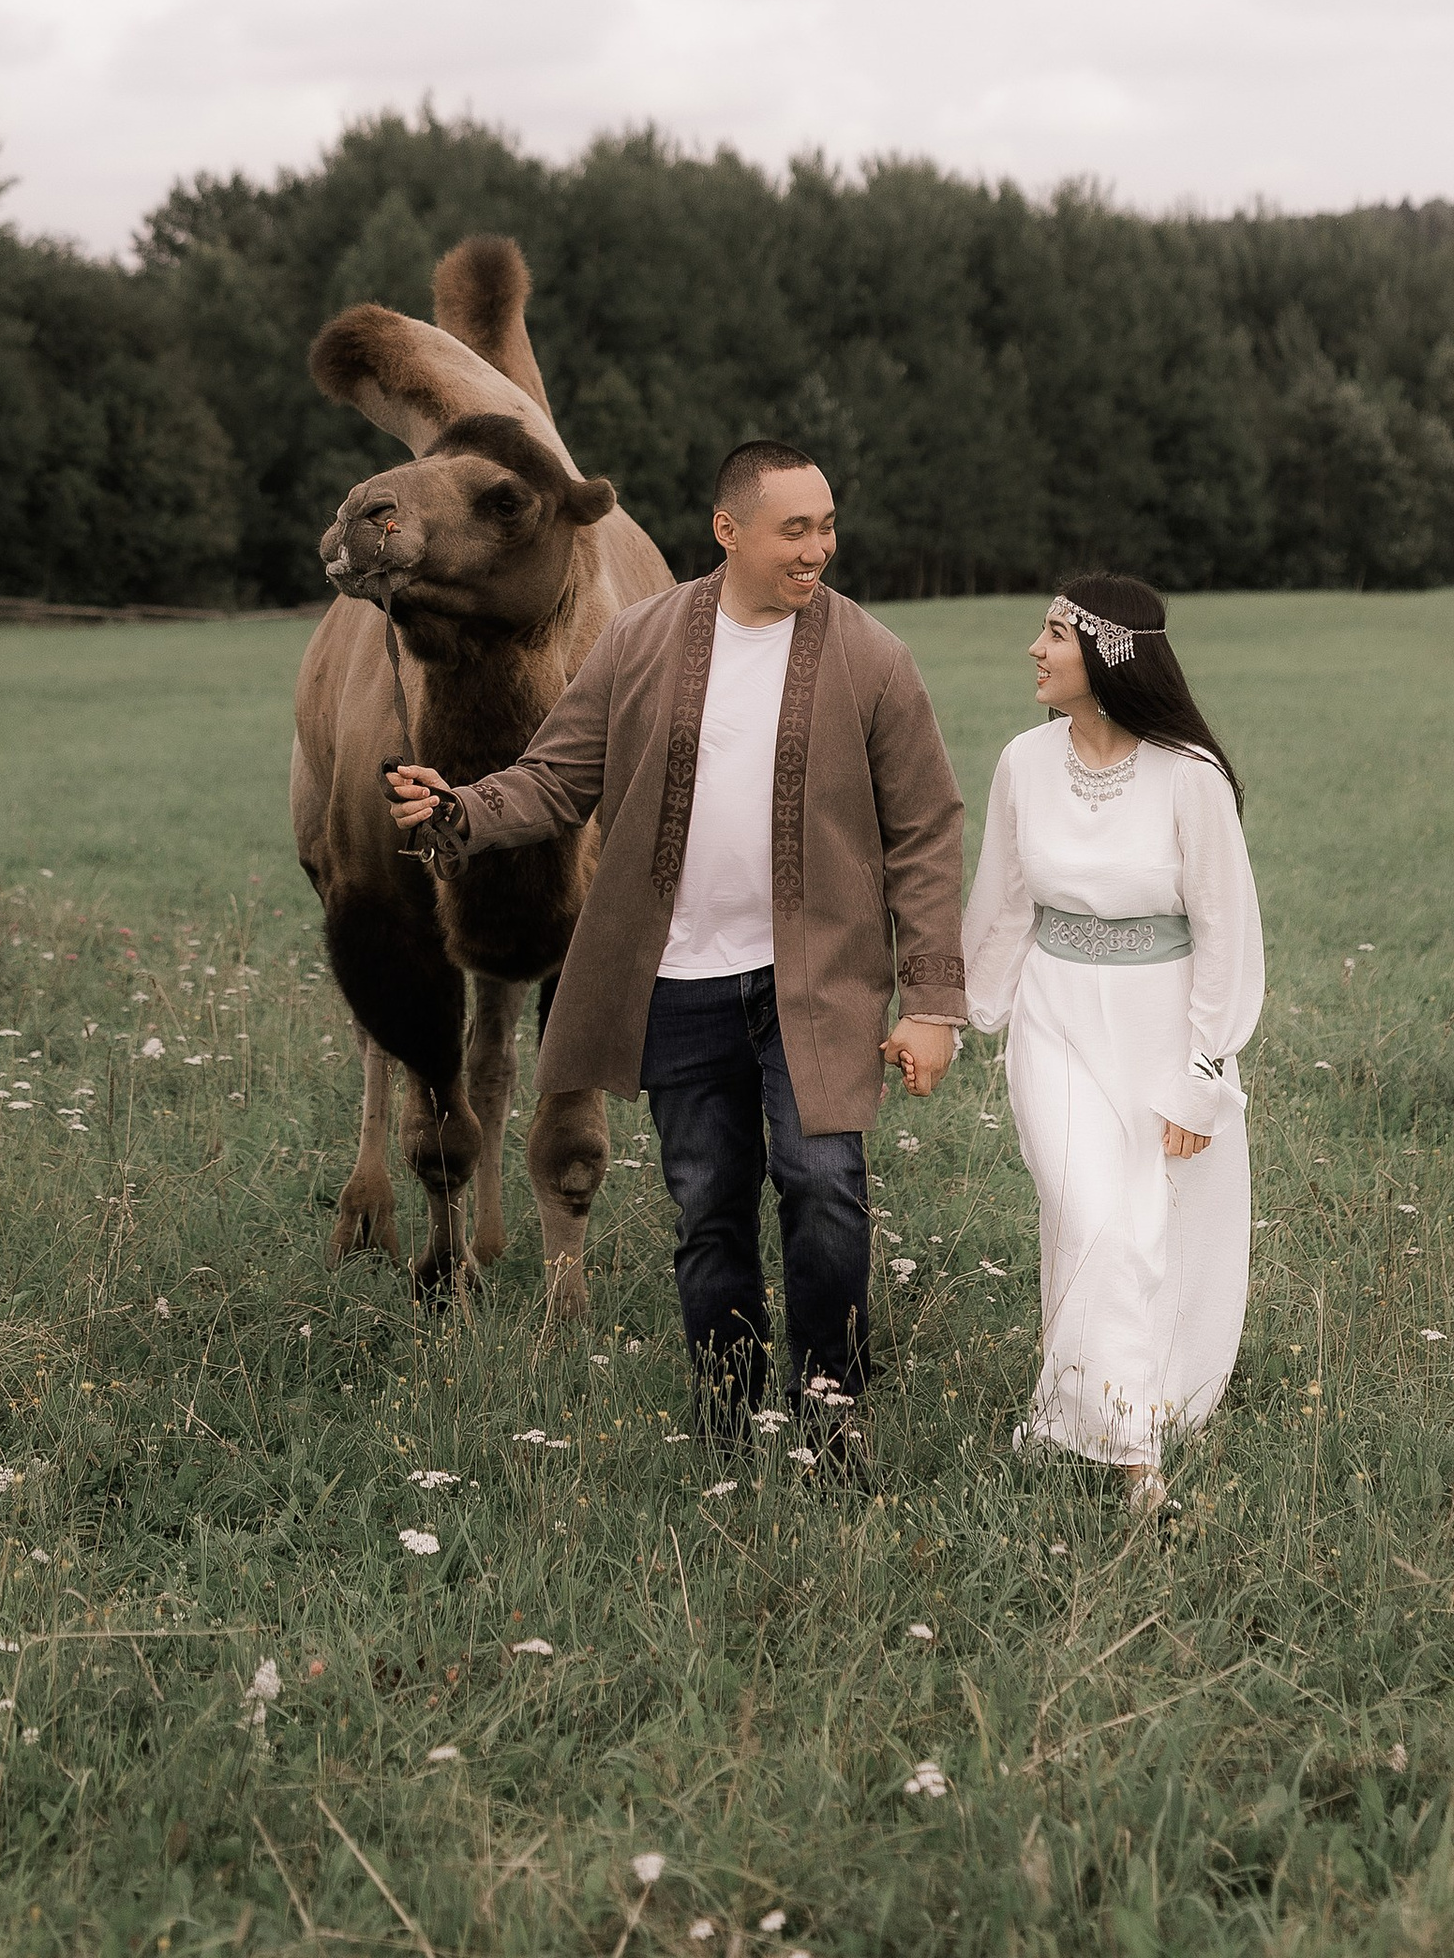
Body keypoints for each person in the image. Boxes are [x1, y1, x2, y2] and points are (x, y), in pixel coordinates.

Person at [385, 442, 966, 1444]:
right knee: (707, 1212)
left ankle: (831, 1416)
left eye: (827, 526)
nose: (818, 548)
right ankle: (729, 1424)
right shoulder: (642, 641)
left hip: (813, 986)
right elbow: (556, 780)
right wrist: (459, 811)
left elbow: (924, 829)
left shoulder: (872, 658)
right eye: (795, 529)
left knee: (825, 1194)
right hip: (680, 985)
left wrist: (929, 1001)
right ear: (727, 531)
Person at [961, 575, 1263, 1509]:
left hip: (1161, 1030)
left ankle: (1079, 1412)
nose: (1035, 649)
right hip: (1054, 1023)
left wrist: (1201, 1077)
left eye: (1054, 634)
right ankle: (1137, 1464)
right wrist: (959, 1013)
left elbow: (1226, 933)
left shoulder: (1190, 778)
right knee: (1090, 1215)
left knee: (1138, 1229)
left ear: (1108, 657)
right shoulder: (1023, 760)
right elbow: (1005, 900)